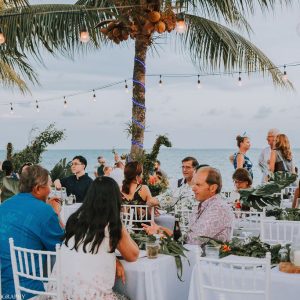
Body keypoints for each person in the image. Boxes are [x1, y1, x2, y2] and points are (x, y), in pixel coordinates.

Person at [48, 176, 139, 299]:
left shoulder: (75, 219)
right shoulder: (112, 223)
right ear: (114, 198)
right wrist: (121, 226)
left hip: (56, 294)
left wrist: (115, 259)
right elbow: (133, 255)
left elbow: (83, 250)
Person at [0, 165, 64, 300]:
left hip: (6, 290)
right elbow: (62, 248)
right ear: (38, 188)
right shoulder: (44, 211)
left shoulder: (4, 205)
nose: (50, 191)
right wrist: (55, 214)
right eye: (49, 186)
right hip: (30, 291)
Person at [143, 167, 234, 244]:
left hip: (210, 261)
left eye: (198, 185)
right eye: (194, 184)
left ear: (213, 188)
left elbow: (193, 242)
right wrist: (161, 230)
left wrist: (161, 232)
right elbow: (188, 238)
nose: (193, 188)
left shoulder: (218, 208)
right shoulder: (204, 205)